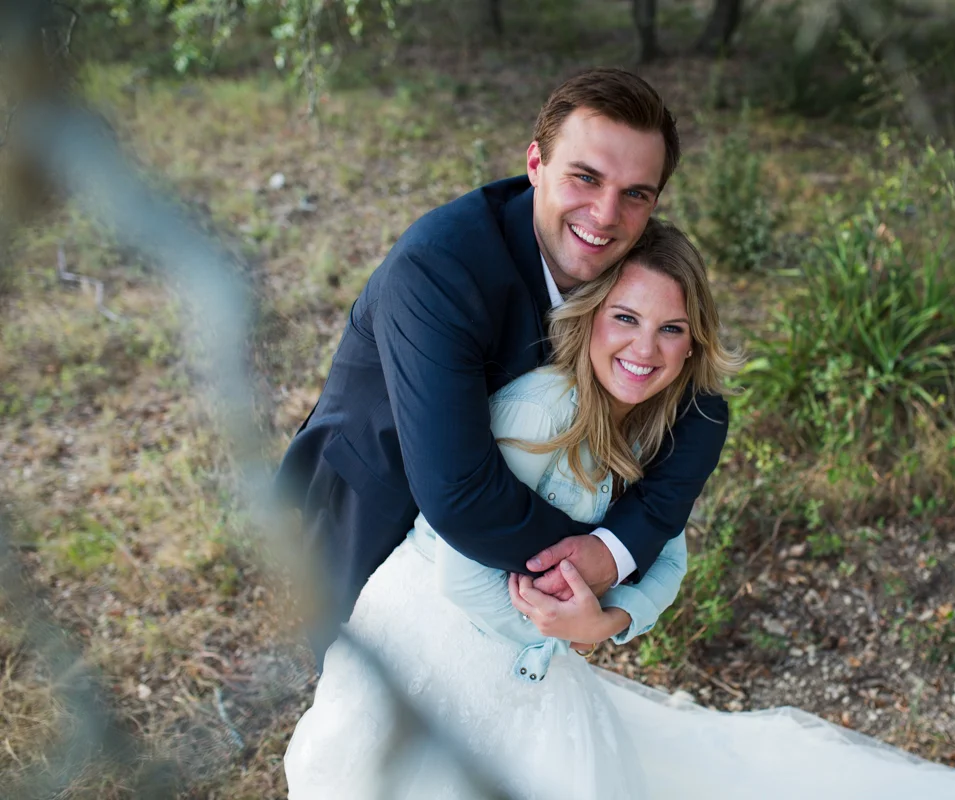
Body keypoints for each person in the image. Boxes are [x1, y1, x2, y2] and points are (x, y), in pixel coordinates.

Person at [284, 221, 955, 800]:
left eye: (670, 330)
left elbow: (666, 556)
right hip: (434, 641)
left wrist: (608, 624)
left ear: (694, 344)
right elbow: (462, 569)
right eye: (624, 318)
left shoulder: (663, 426)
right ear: (589, 320)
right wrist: (551, 632)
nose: (644, 349)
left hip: (537, 655)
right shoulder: (535, 410)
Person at [274, 68, 728, 669]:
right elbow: (459, 492)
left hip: (518, 517)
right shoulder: (439, 268)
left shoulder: (630, 269)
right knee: (364, 685)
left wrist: (615, 554)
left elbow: (697, 405)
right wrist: (593, 566)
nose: (605, 213)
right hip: (385, 493)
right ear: (535, 164)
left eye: (635, 193)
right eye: (585, 177)